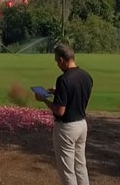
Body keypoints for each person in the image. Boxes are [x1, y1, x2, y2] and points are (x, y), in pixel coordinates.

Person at [36, 44, 93, 185]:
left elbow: (60, 110)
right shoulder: (86, 76)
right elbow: (77, 94)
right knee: (80, 166)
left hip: (67, 128)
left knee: (67, 171)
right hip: (82, 124)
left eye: (57, 61)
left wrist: (44, 100)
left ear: (62, 60)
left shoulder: (63, 79)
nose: (57, 65)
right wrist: (58, 92)